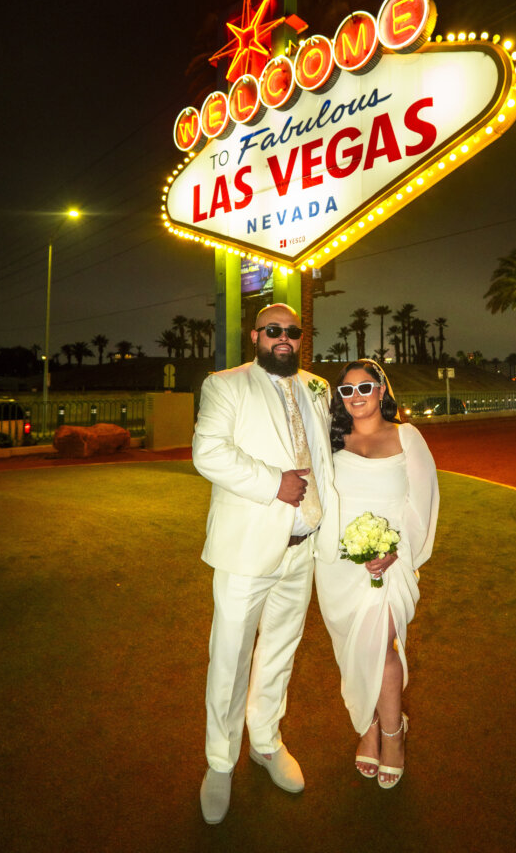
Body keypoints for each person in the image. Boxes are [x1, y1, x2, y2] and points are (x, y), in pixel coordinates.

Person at [192, 303, 339, 825]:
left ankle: (266, 741)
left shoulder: (315, 388)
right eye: (273, 330)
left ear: (301, 338)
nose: (283, 339)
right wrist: (273, 482)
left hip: (303, 550)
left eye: (292, 332)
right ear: (255, 336)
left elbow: (326, 457)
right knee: (229, 659)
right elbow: (207, 452)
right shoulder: (225, 385)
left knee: (279, 650)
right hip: (246, 552)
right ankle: (219, 761)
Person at [315, 359, 439, 789]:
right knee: (352, 652)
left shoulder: (408, 437)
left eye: (364, 387)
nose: (357, 397)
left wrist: (393, 550)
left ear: (382, 389)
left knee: (382, 649)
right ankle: (367, 725)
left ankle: (392, 735)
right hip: (337, 566)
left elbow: (421, 503)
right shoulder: (331, 441)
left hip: (390, 564)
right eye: (346, 391)